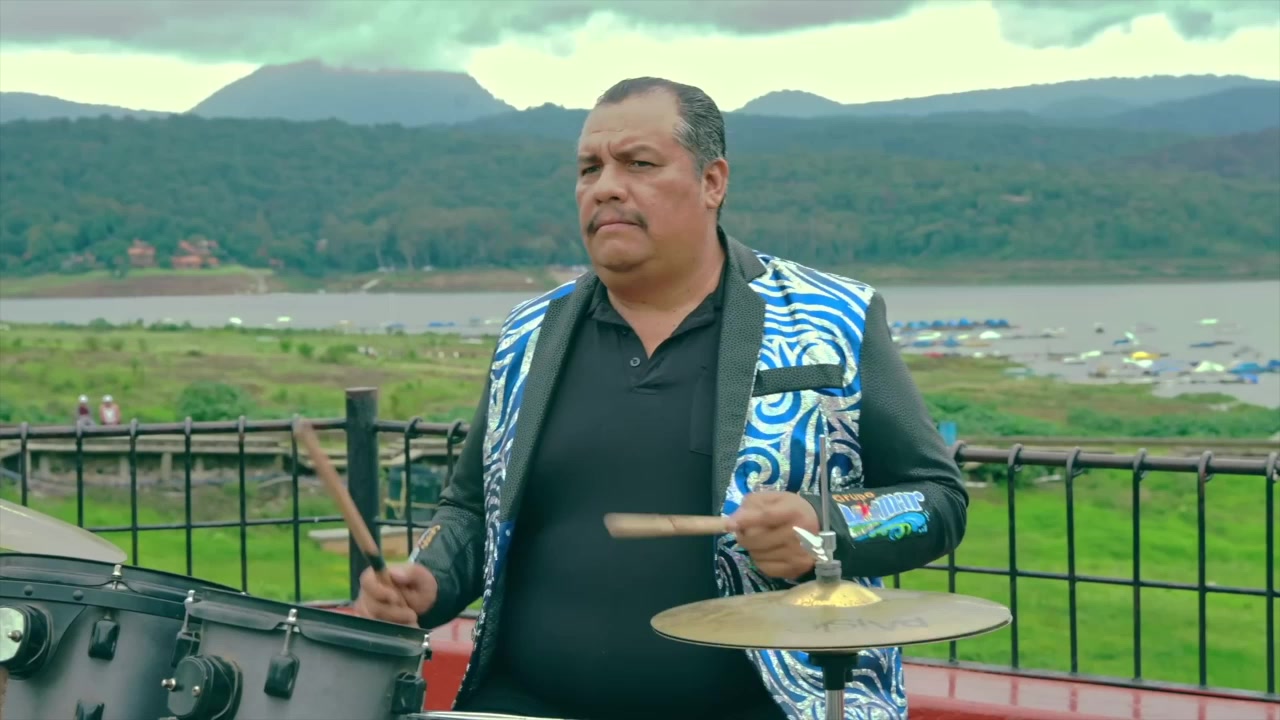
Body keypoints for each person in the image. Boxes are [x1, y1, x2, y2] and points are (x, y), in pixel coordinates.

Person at [354, 77, 968, 720]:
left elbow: (937, 498)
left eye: (639, 164)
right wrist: (429, 578)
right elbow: (470, 509)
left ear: (713, 182)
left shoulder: (834, 318)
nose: (605, 186)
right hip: (525, 703)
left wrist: (826, 528)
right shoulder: (529, 333)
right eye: (589, 169)